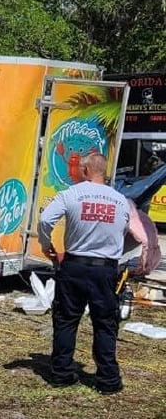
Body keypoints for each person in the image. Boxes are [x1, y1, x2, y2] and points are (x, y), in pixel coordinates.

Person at [38, 153, 129, 395]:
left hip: (75, 266)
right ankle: (108, 379)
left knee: (67, 320)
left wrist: (47, 244)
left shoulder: (71, 194)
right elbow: (127, 231)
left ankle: (61, 373)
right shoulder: (120, 200)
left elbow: (46, 219)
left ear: (86, 170)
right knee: (105, 324)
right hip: (105, 269)